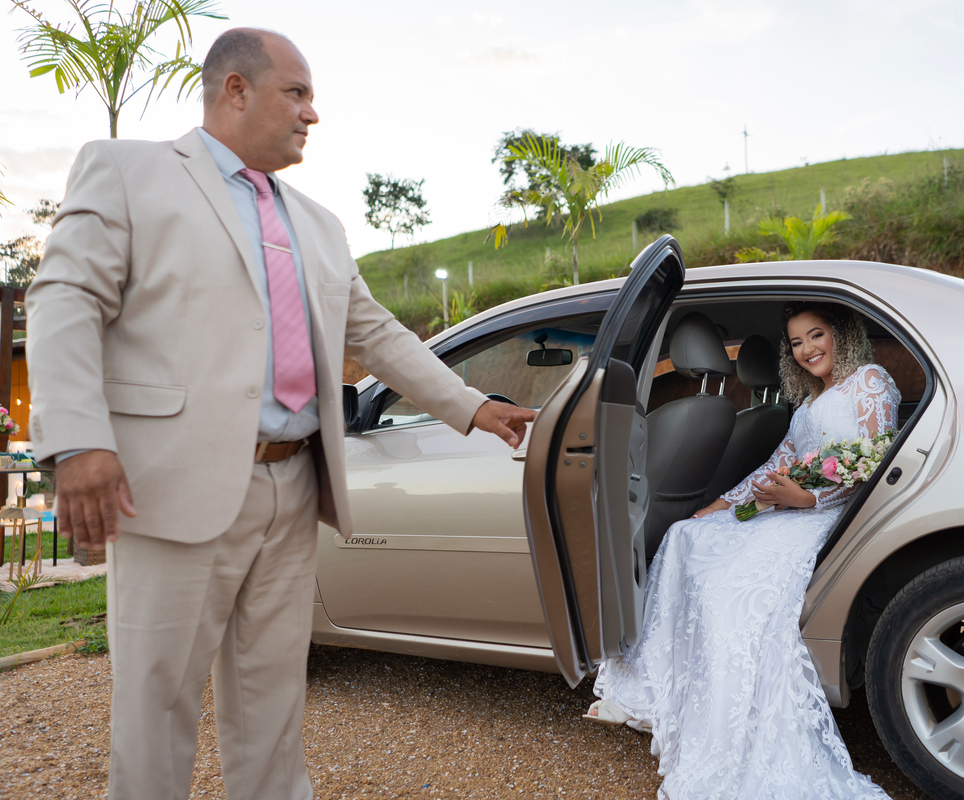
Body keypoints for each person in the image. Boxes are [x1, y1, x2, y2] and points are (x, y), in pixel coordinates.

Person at [26, 28, 535, 800]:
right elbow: (66, 299)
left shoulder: (319, 224)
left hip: (294, 488)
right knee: (155, 704)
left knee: (273, 702)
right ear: (236, 88)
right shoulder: (128, 171)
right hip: (169, 488)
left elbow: (377, 334)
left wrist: (473, 406)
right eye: (296, 94)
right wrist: (76, 441)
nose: (312, 114)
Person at [585, 301, 899, 800]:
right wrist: (718, 504)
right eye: (796, 343)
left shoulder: (870, 382)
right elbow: (777, 465)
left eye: (816, 335)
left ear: (842, 335)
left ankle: (721, 713)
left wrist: (810, 497)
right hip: (788, 507)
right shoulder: (809, 403)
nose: (807, 350)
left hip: (827, 516)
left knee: (730, 586)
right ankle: (654, 690)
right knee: (686, 536)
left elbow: (877, 465)